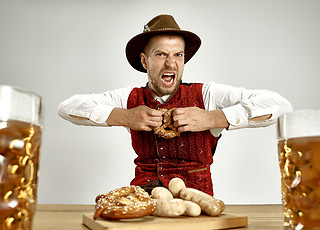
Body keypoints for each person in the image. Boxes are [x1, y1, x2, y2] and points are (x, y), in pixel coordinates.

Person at [58, 14, 293, 196]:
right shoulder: (129, 99)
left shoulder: (208, 95)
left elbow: (281, 106)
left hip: (196, 208)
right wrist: (126, 117)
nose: (171, 64)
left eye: (178, 55)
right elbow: (67, 108)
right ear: (144, 61)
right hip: (144, 204)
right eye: (161, 54)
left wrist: (211, 119)